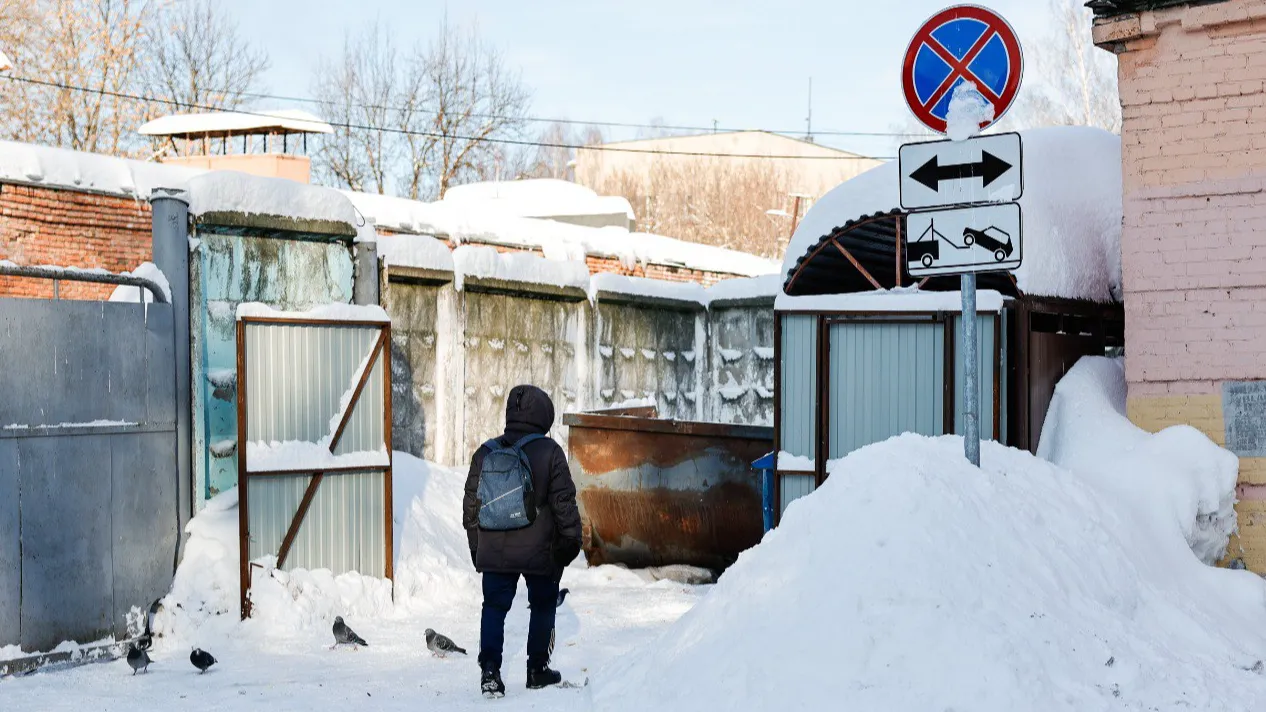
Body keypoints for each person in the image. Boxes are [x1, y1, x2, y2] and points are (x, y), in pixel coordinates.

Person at [463, 385, 583, 698]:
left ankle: (490, 671)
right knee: (543, 605)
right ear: (544, 415)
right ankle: (537, 670)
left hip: (495, 550)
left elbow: (471, 509)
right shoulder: (550, 452)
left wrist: (479, 550)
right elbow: (564, 505)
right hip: (539, 551)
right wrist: (567, 547)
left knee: (493, 607)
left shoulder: (486, 452)